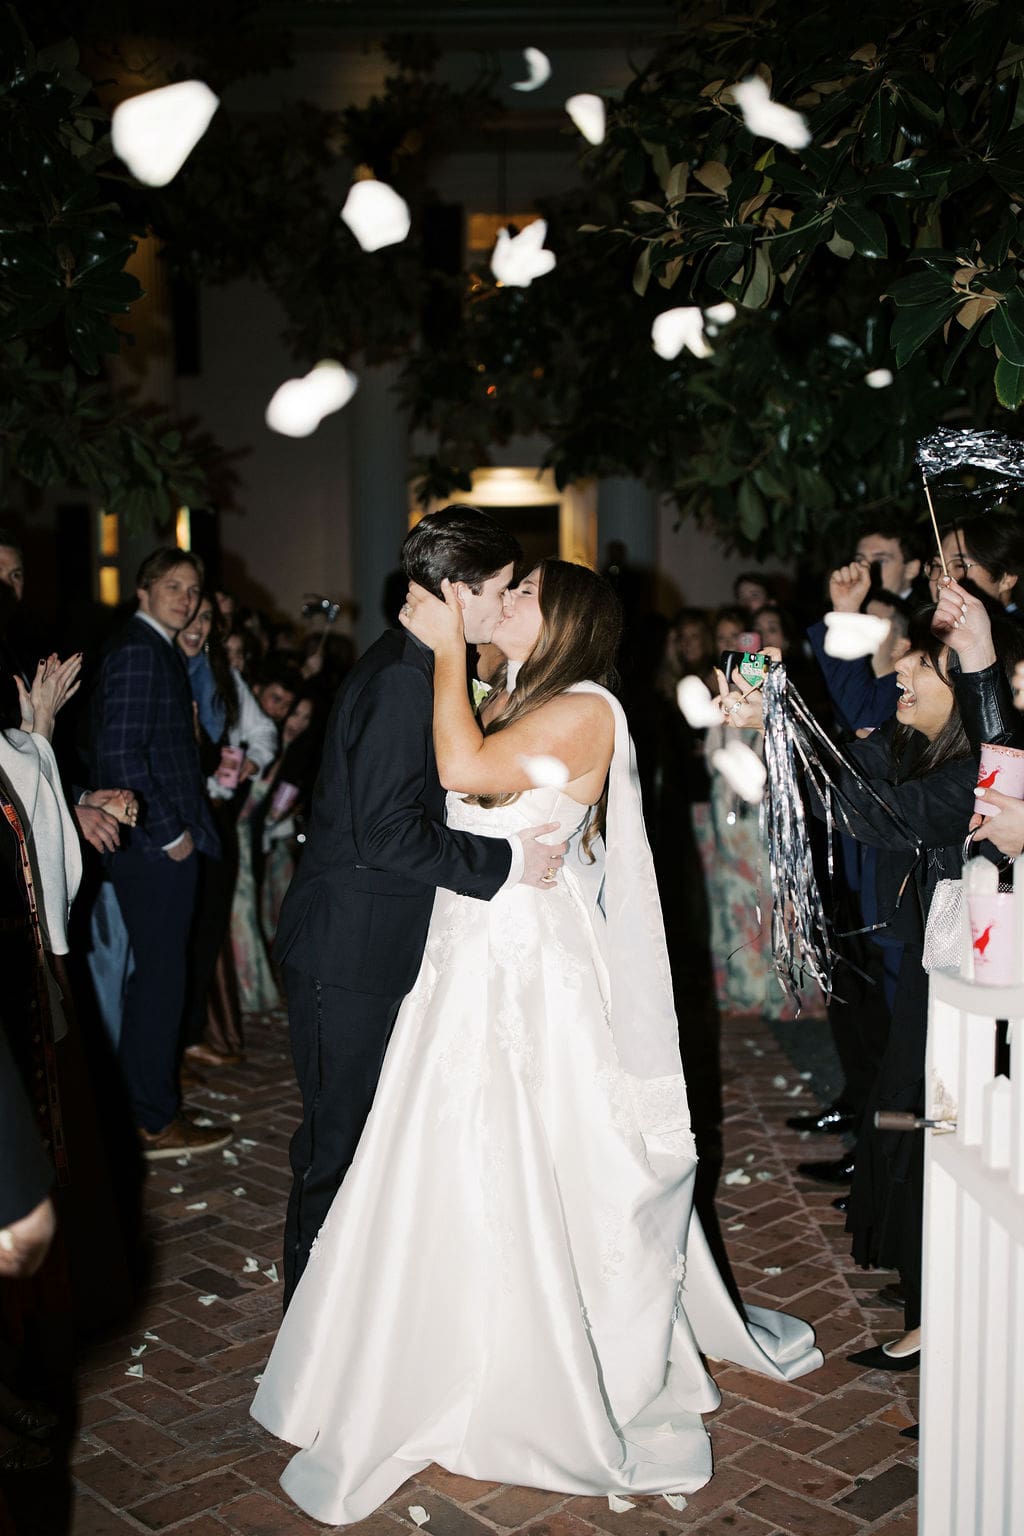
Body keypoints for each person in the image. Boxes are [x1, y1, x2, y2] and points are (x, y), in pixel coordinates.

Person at [252, 558, 822, 1523]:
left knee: (523, 1141)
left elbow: (465, 770)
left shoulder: (589, 707)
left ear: (562, 623)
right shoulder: (521, 693)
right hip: (469, 951)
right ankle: (430, 1332)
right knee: (440, 1143)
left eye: (521, 599)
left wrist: (440, 655)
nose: (500, 604)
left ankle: (528, 1358)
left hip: (526, 963)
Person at [274, 508, 572, 1304]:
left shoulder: (421, 669)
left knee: (361, 1137)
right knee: (335, 1141)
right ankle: (309, 1315)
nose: (505, 604)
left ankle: (343, 1313)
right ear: (457, 590)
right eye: (501, 590)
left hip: (374, 938)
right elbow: (386, 834)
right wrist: (506, 860)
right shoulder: (402, 680)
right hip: (348, 946)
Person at [90, 549, 232, 1159]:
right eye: (172, 585)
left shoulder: (156, 650)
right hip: (152, 847)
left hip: (156, 842)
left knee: (158, 978)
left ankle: (148, 1104)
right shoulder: (138, 653)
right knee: (158, 982)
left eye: (193, 588)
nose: (186, 597)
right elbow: (120, 756)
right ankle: (151, 1118)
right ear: (142, 591)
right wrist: (170, 834)